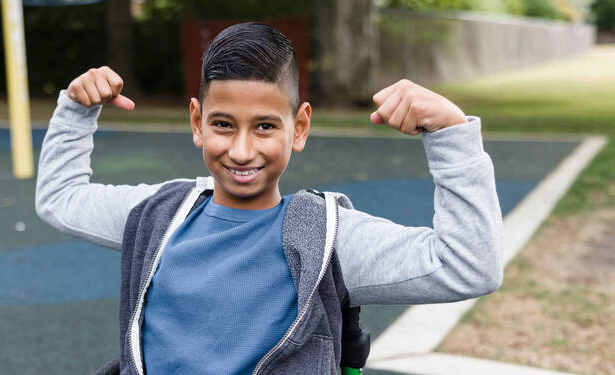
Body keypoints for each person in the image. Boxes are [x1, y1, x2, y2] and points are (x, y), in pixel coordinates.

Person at [35, 22, 503, 375]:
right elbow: (61, 197)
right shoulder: (161, 216)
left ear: (299, 127)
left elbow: (469, 264)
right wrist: (78, 111)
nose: (241, 150)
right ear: (196, 122)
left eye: (264, 126)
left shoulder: (327, 240)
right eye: (223, 124)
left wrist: (450, 132)